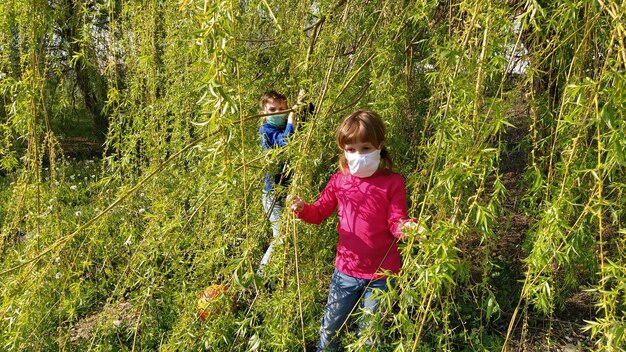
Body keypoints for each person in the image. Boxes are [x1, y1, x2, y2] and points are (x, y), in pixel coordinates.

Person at [290, 109, 417, 351]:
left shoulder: (393, 182)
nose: (358, 155)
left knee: (370, 336)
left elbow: (396, 221)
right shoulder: (340, 180)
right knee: (330, 326)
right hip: (346, 270)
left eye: (365, 148)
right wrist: (302, 208)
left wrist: (408, 229)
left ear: (379, 146)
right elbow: (318, 212)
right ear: (343, 151)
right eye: (351, 149)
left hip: (382, 275)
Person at [257, 90, 301, 277]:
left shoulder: (286, 126)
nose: (278, 113)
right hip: (273, 195)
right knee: (280, 236)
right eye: (273, 109)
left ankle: (277, 276)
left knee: (287, 234)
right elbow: (285, 143)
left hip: (286, 192)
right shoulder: (266, 131)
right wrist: (291, 121)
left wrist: (301, 107)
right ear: (264, 112)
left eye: (282, 109)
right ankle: (261, 276)